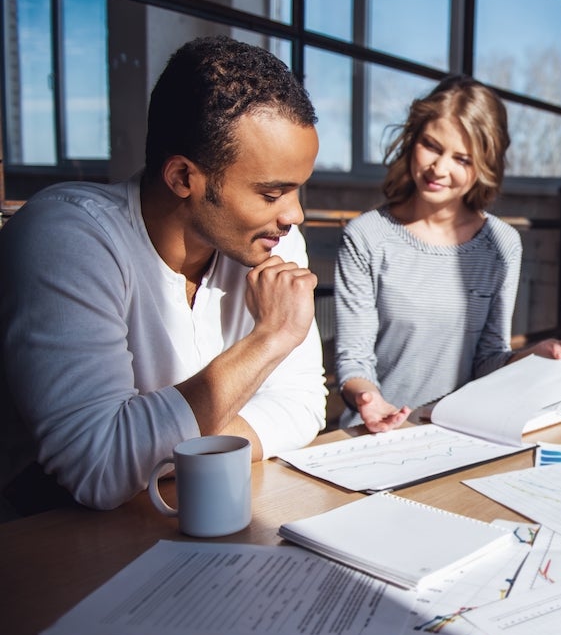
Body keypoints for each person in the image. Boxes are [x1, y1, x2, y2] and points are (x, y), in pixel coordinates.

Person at [0, 35, 327, 513]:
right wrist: (270, 339)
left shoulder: (271, 242)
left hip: (189, 522)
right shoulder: (69, 236)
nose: (295, 215)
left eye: (298, 190)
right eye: (272, 193)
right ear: (181, 178)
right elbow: (100, 467)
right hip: (47, 537)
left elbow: (303, 407)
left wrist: (158, 445)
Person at [335, 75, 561, 431]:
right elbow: (353, 361)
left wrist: (533, 355)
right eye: (431, 146)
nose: (439, 169)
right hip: (375, 435)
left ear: (484, 167)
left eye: (461, 159)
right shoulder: (366, 237)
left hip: (456, 432)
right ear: (413, 140)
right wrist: (369, 400)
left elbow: (487, 360)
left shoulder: (502, 244)